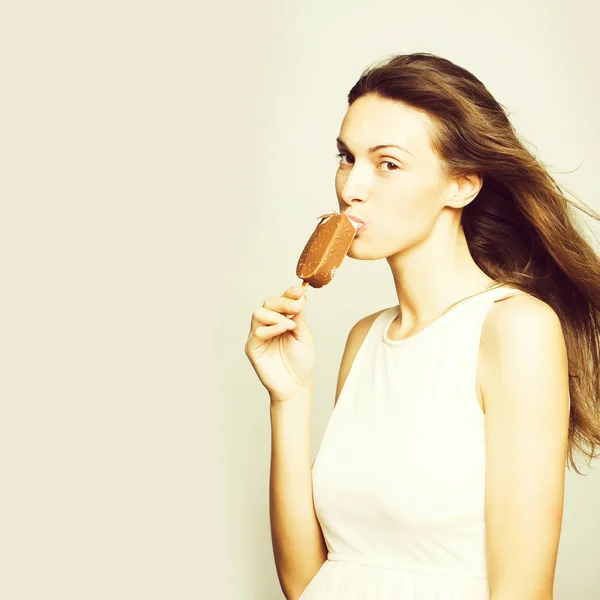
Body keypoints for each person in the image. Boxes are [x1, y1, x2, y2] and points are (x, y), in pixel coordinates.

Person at [244, 52, 600, 600]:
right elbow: (307, 583)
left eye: (387, 163)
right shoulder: (365, 340)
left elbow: (524, 592)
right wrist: (288, 400)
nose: (351, 188)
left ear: (461, 185)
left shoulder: (515, 330)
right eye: (346, 157)